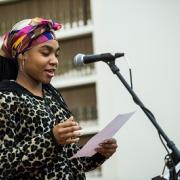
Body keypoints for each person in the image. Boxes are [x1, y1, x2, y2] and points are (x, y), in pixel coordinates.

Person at [0, 17, 118, 179]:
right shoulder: (6, 97)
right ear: (22, 55)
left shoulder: (52, 96)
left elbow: (67, 161)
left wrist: (97, 153)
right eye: (45, 53)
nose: (54, 61)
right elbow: (3, 164)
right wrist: (51, 140)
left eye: (56, 54)